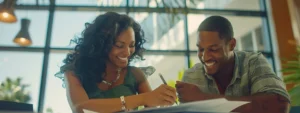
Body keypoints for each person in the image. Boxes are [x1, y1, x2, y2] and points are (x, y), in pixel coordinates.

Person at [55, 12, 177, 113]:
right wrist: (143, 98)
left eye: (132, 45)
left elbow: (151, 108)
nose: (127, 52)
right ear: (101, 45)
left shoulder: (135, 74)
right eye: (119, 45)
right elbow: (81, 108)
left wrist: (162, 100)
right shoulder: (74, 73)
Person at [175, 16, 290, 113]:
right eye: (201, 49)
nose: (205, 57)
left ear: (231, 44)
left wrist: (203, 99)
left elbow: (280, 105)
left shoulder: (253, 63)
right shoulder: (192, 77)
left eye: (213, 49)